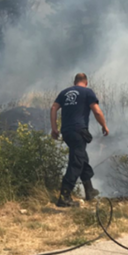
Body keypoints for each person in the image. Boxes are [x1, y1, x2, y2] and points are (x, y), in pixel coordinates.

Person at [50, 73, 109, 208]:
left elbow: (53, 108)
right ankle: (64, 197)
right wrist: (104, 126)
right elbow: (97, 111)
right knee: (76, 163)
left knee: (81, 158)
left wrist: (54, 128)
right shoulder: (87, 92)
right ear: (86, 82)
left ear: (74, 82)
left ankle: (89, 191)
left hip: (67, 132)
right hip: (78, 131)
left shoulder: (64, 92)